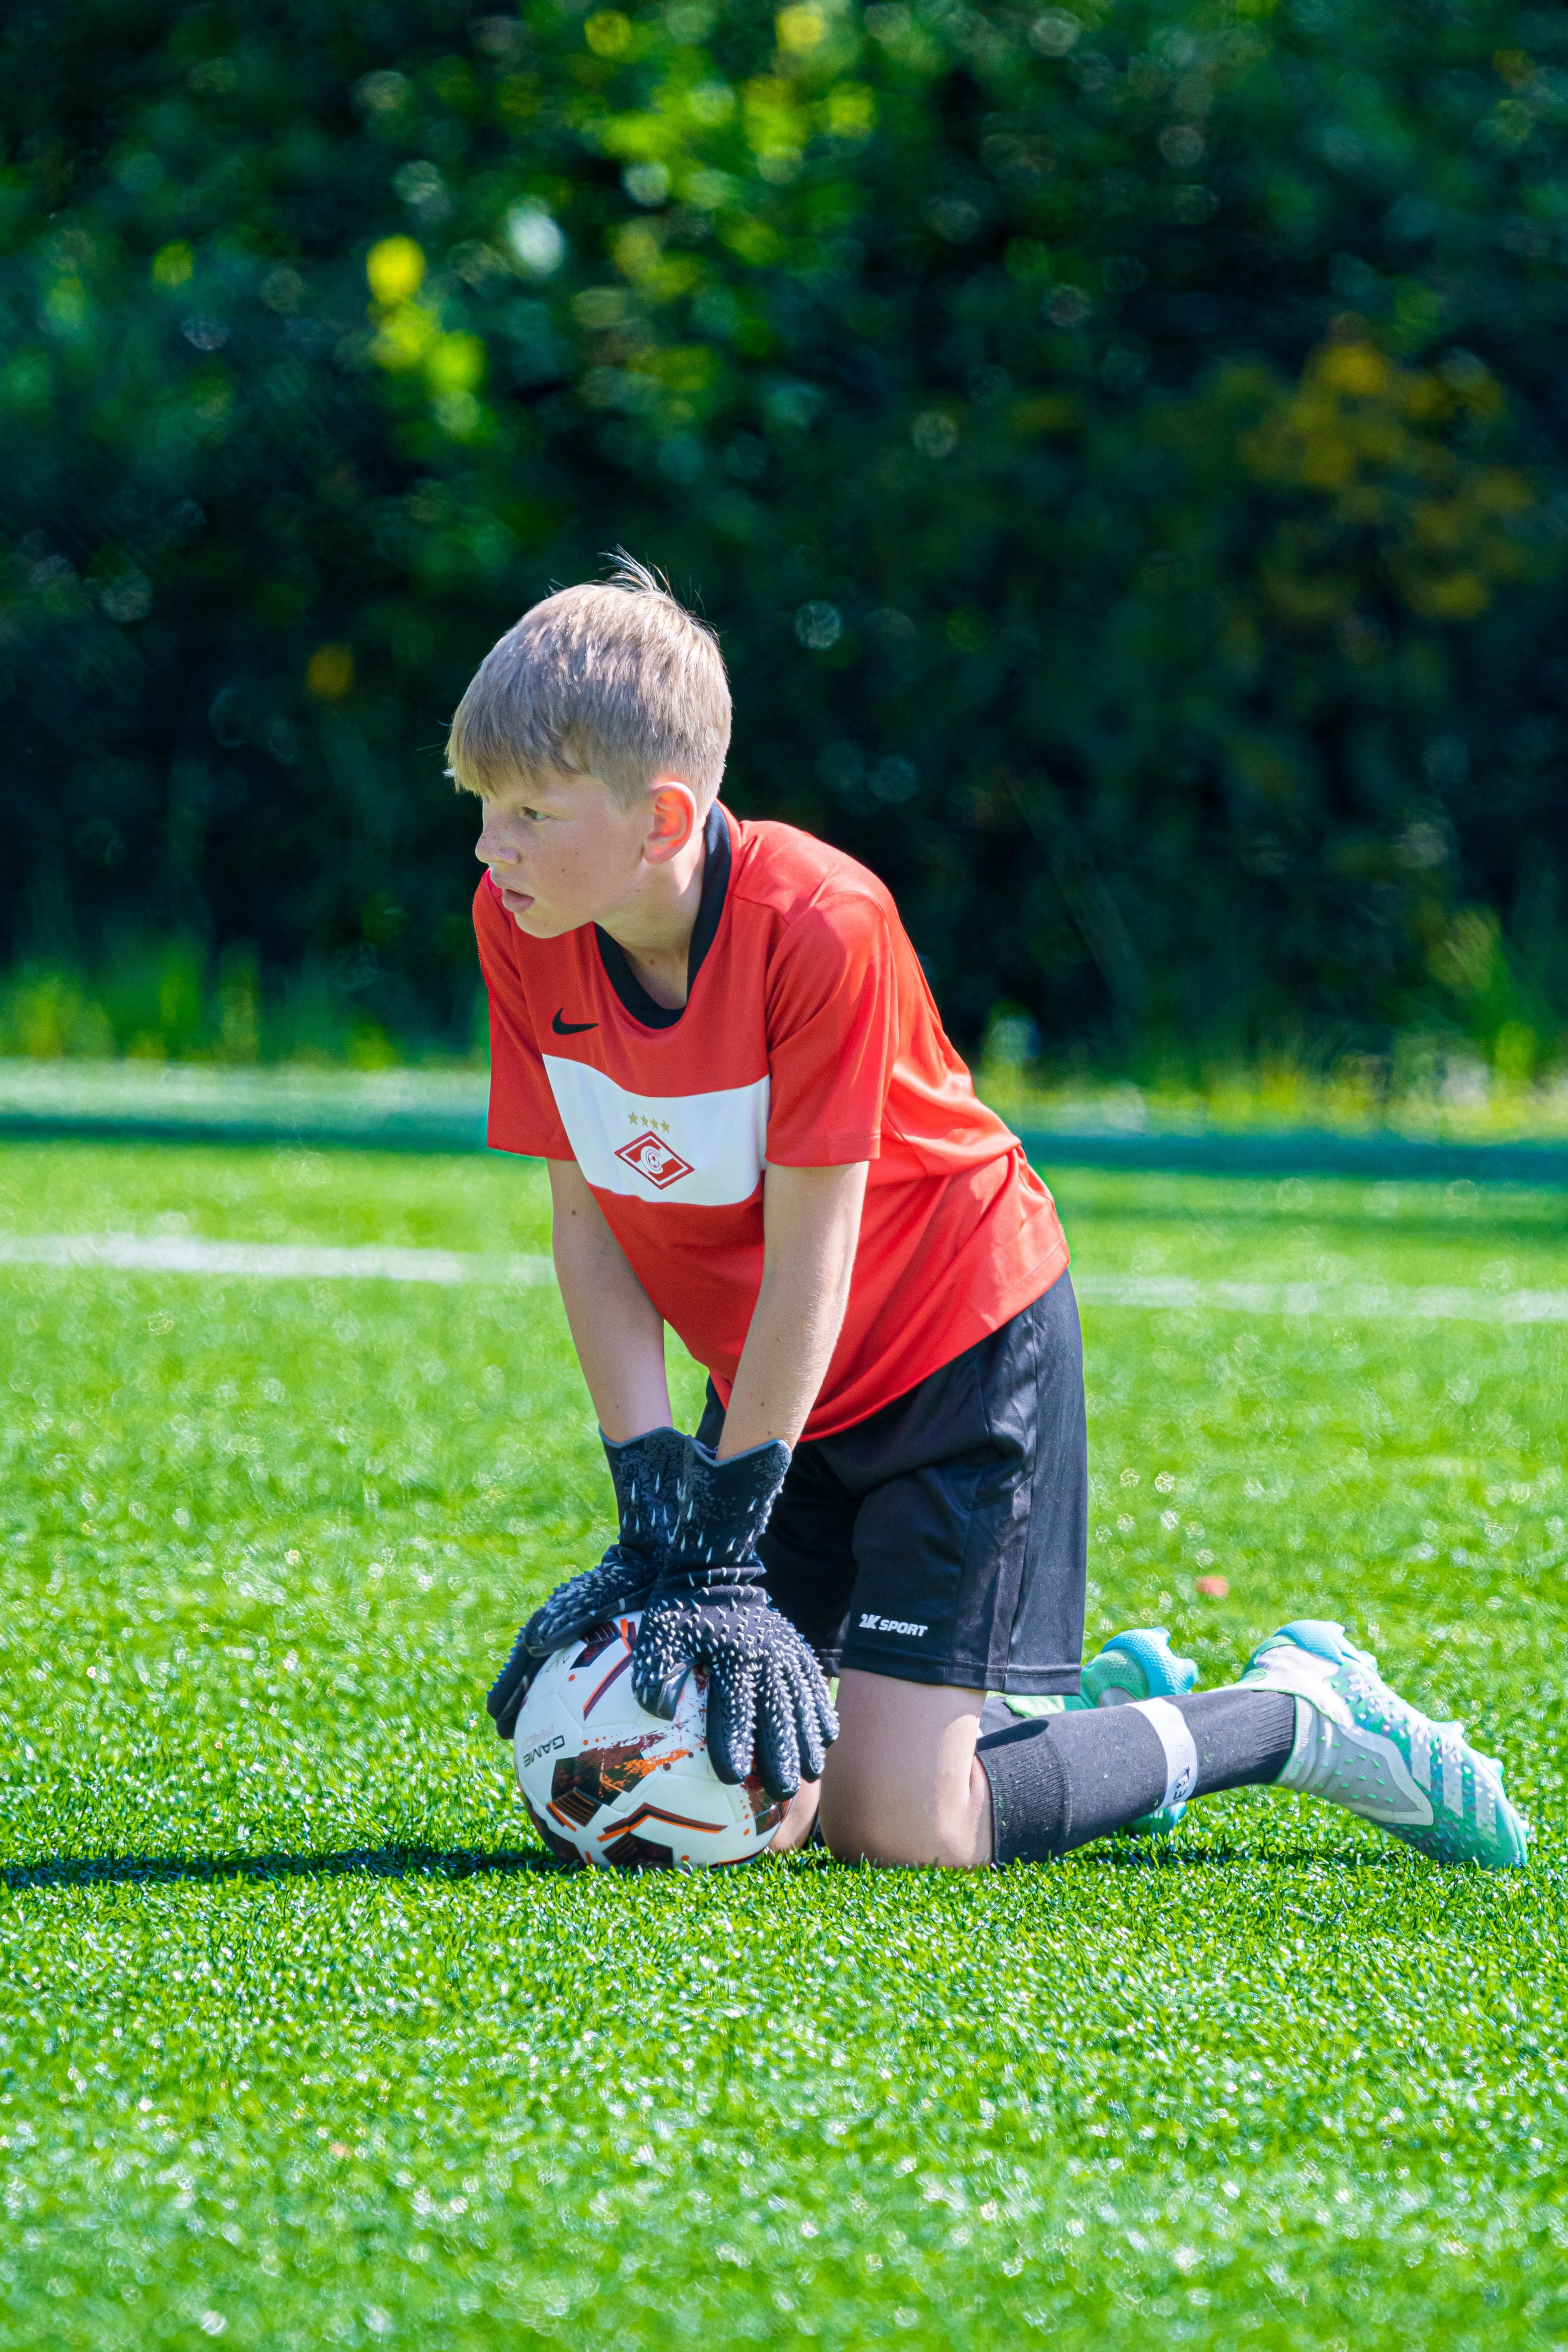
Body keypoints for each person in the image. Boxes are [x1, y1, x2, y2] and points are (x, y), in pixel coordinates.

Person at [453, 556, 1528, 1874]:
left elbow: (815, 1255)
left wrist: (727, 1533)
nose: (487, 844)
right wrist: (653, 1506)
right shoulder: (520, 922)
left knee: (902, 1831)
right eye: (479, 805)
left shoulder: (821, 922)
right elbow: (590, 1224)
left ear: (661, 819)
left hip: (956, 1355)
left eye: (523, 809)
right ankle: (1047, 1714)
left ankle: (1289, 1713)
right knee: (761, 1796)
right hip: (787, 1386)